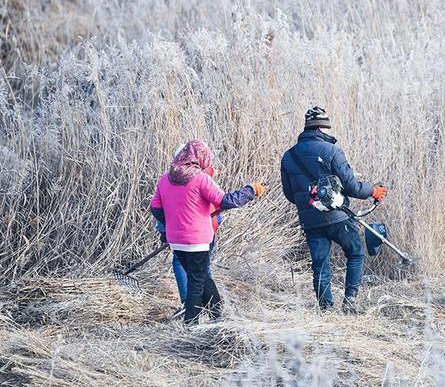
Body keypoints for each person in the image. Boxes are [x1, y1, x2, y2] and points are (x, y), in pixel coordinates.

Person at [280, 106, 388, 313]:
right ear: (322, 128)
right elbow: (352, 187)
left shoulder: (288, 156)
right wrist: (373, 191)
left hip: (310, 220)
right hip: (337, 217)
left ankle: (326, 309)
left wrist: (311, 204)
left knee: (320, 264)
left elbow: (289, 194)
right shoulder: (332, 151)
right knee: (355, 253)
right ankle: (350, 302)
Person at [150, 140, 266, 325]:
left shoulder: (165, 179)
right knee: (196, 283)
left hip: (176, 240)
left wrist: (173, 221)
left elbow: (155, 208)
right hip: (197, 240)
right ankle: (191, 326)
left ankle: (217, 313)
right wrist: (250, 190)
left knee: (201, 275)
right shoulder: (200, 178)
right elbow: (226, 201)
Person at [155, 145, 223, 307]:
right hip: (201, 233)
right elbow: (219, 206)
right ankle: (211, 311)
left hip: (186, 234)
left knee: (194, 273)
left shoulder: (171, 178)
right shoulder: (202, 175)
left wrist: (166, 228)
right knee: (201, 274)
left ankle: (194, 307)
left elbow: (160, 208)